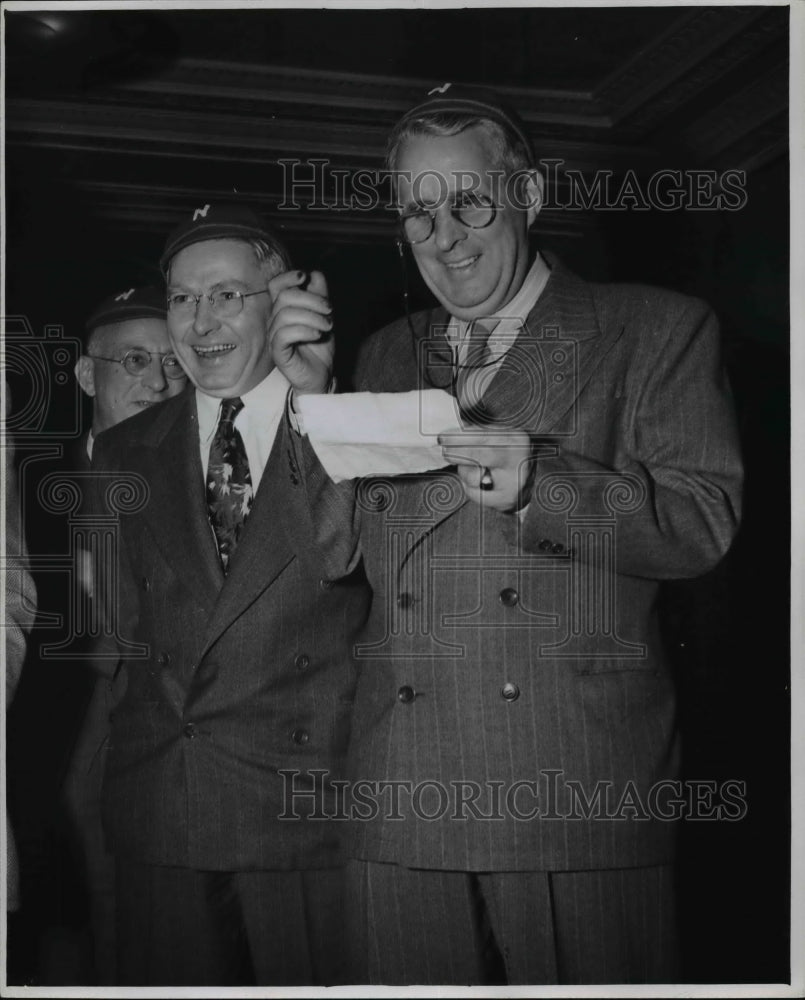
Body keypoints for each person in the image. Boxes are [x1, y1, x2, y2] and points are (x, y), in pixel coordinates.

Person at [293, 84, 743, 984]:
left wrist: (544, 481)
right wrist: (311, 403)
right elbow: (333, 554)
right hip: (399, 786)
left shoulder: (652, 328)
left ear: (529, 196)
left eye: (469, 201)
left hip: (565, 783)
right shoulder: (385, 351)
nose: (445, 237)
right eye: (418, 214)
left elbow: (702, 525)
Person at [88, 203, 370, 986]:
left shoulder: (357, 420)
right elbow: (120, 628)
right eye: (182, 297)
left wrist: (321, 404)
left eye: (226, 296)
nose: (199, 321)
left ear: (284, 300)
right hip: (160, 813)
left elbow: (357, 567)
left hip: (306, 816)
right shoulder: (119, 453)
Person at [60, 285, 187, 983]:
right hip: (68, 728)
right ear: (87, 375)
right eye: (134, 359)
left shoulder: (210, 476)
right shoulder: (30, 483)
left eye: (173, 360)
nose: (160, 380)